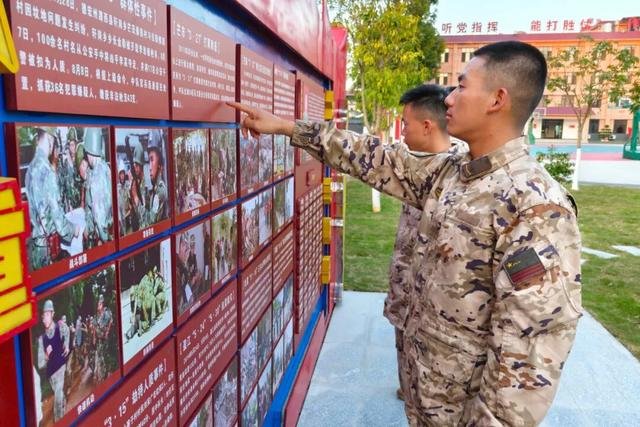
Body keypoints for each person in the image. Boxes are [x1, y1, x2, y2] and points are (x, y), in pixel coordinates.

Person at [227, 40, 582, 426]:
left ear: (497, 99)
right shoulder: (453, 172)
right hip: (427, 389)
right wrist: (288, 127)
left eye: (462, 86)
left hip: (463, 412)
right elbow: (375, 158)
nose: (449, 98)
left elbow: (530, 344)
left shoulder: (534, 205)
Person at [384, 84, 452, 403]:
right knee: (402, 341)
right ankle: (407, 387)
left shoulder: (457, 174)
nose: (402, 131)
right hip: (405, 282)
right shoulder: (415, 166)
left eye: (405, 124)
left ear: (427, 125)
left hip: (434, 302)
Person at [26, 128, 80, 270]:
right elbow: (57, 218)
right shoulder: (47, 170)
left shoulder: (31, 168)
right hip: (48, 250)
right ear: (50, 139)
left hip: (36, 248)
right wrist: (73, 229)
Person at [36, 300, 70, 422]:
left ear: (52, 314)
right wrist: (46, 355)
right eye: (43, 316)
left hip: (60, 367)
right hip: (51, 375)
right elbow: (40, 364)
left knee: (58, 398)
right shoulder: (42, 340)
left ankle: (59, 421)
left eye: (47, 314)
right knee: (59, 395)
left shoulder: (60, 327)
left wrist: (67, 345)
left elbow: (67, 331)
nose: (44, 318)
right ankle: (63, 405)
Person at [83, 127, 113, 248]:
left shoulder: (97, 175)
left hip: (104, 240)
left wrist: (103, 240)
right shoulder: (104, 167)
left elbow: (100, 218)